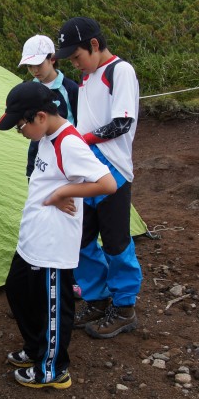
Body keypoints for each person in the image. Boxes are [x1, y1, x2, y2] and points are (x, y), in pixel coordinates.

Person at [0, 81, 116, 388]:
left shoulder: (69, 143)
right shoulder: (48, 136)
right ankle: (36, 348)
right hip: (32, 238)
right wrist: (57, 192)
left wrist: (64, 191)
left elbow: (107, 183)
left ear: (39, 117)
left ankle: (52, 368)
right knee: (18, 291)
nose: (19, 132)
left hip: (52, 244)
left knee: (52, 306)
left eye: (20, 125)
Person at [54, 17, 143, 339]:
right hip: (88, 169)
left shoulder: (120, 71)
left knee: (117, 243)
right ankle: (97, 297)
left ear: (94, 44)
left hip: (114, 171)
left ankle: (124, 307)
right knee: (82, 239)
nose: (75, 63)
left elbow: (121, 123)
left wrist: (78, 140)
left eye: (76, 56)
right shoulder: (88, 77)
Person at [19, 34, 79, 178]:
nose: (34, 70)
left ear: (52, 59)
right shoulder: (27, 89)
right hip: (37, 157)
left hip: (66, 156)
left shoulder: (70, 88)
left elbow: (79, 121)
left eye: (38, 65)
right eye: (29, 66)